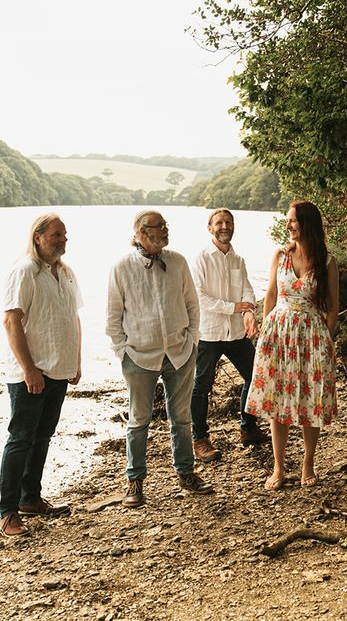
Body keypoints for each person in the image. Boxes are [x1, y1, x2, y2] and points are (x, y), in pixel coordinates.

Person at [107, 210, 213, 508]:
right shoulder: (122, 267)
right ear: (142, 232)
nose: (165, 230)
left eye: (166, 226)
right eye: (159, 227)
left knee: (181, 417)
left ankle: (186, 473)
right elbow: (113, 316)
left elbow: (193, 304)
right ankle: (135, 481)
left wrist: (192, 341)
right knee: (139, 421)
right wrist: (123, 352)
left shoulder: (178, 261)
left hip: (179, 353)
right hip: (139, 357)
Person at [0, 213, 82, 538]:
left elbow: (72, 317)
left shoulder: (66, 272)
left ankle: (30, 498)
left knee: (43, 437)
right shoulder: (24, 271)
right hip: (30, 373)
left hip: (59, 369)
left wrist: (75, 361)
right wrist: (29, 369)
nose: (62, 241)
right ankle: (8, 512)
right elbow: (11, 321)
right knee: (20, 439)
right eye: (56, 235)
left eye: (64, 235)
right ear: (38, 237)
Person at [246, 200, 339, 490]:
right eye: (288, 220)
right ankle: (278, 466)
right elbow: (271, 295)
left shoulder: (327, 262)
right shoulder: (281, 255)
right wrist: (263, 336)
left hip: (311, 336)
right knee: (278, 402)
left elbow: (333, 307)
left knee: (310, 400)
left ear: (308, 223)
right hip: (279, 333)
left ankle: (308, 464)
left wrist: (327, 340)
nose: (289, 225)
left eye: (294, 220)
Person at [190, 208, 270, 463]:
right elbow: (199, 297)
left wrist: (248, 312)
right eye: (219, 223)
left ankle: (248, 428)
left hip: (236, 332)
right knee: (202, 386)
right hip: (209, 332)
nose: (225, 226)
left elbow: (247, 289)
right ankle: (199, 439)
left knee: (255, 375)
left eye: (229, 222)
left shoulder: (238, 259)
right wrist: (233, 308)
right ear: (209, 228)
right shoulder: (201, 258)